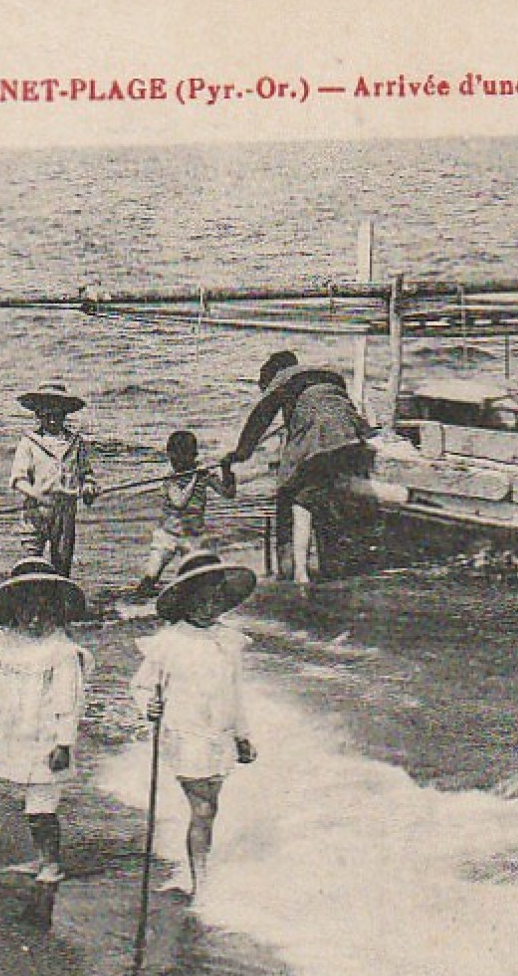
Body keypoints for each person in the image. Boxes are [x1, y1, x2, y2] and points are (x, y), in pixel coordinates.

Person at [128, 551, 257, 900]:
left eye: (216, 596)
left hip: (219, 734)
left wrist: (243, 736)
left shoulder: (227, 641)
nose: (209, 604)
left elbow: (235, 692)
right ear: (187, 599)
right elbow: (141, 685)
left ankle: (197, 868)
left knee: (208, 809)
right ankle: (201, 882)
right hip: (185, 733)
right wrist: (148, 705)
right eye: (201, 597)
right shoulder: (171, 641)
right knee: (203, 808)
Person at [0, 557, 90, 886]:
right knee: (32, 803)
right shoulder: (6, 647)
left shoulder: (62, 651)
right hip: (19, 732)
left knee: (42, 805)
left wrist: (64, 743)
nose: (34, 619)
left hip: (48, 736)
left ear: (55, 612)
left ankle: (52, 864)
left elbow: (69, 702)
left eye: (43, 611)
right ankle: (42, 857)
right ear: (15, 611)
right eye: (26, 611)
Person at [227, 352, 372, 583]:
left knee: (289, 492)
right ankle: (332, 567)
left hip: (320, 435)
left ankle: (291, 570)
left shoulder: (282, 377)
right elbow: (336, 408)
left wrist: (240, 454)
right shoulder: (328, 374)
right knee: (328, 497)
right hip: (351, 436)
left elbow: (260, 418)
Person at [10, 381, 99, 577]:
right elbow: (18, 479)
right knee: (31, 561)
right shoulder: (28, 442)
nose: (51, 421)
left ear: (65, 415)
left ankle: (58, 602)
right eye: (46, 415)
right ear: (38, 414)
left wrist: (89, 487)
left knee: (62, 563)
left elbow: (87, 473)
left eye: (57, 415)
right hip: (35, 511)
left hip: (65, 511)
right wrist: (38, 495)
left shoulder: (76, 443)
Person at [135, 429, 235, 596]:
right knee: (150, 577)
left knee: (197, 582)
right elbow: (179, 502)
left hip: (193, 537)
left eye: (180, 459)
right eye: (172, 459)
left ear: (192, 456)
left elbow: (228, 493)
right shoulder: (169, 476)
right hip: (167, 535)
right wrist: (195, 478)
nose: (176, 464)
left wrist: (226, 470)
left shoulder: (205, 473)